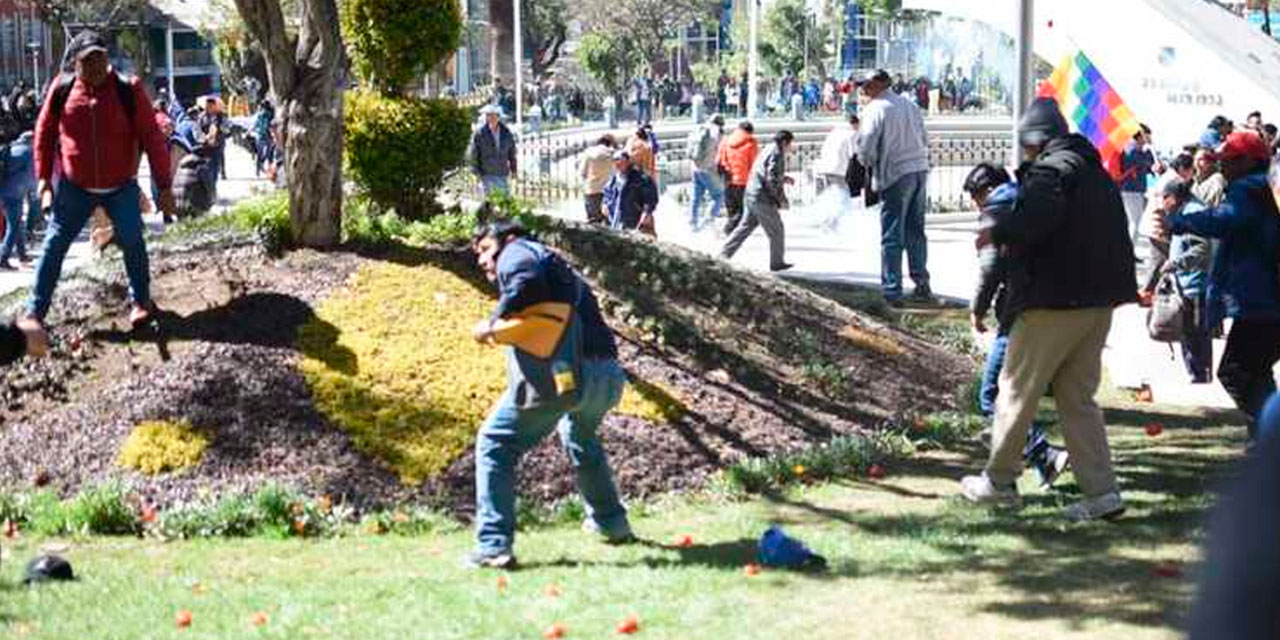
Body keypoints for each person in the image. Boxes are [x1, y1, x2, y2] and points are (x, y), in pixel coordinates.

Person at [962, 97, 1137, 521]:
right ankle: (1102, 493)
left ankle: (999, 481)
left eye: (1026, 147)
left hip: (1053, 299)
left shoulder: (1048, 173)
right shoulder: (1094, 172)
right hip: (1098, 302)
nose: (1024, 155)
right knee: (1078, 398)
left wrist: (996, 230)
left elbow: (1035, 224)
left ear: (1036, 142)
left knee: (1015, 390)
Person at [465, 220, 633, 569]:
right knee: (578, 434)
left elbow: (525, 281)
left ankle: (493, 545)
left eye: (484, 249)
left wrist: (493, 324)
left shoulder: (517, 252)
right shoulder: (554, 264)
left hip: (569, 377)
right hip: (608, 378)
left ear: (507, 238)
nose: (481, 261)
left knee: (495, 441)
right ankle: (611, 523)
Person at [28, 30, 174, 328]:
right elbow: (43, 135)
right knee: (54, 245)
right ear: (76, 64)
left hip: (121, 187)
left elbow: (152, 138)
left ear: (108, 58)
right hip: (74, 189)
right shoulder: (62, 89)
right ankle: (35, 312)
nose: (96, 65)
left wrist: (165, 187)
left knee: (133, 242)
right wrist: (43, 179)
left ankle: (140, 302)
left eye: (100, 57)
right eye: (88, 60)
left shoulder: (128, 89)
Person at [1157, 130, 1280, 439]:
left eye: (1229, 160)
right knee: (1255, 372)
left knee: (1235, 372)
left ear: (1250, 162)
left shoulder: (1247, 191)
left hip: (1263, 305)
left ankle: (1269, 440)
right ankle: (1265, 441)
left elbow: (1224, 220)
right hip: (1264, 303)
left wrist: (1181, 220)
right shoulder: (1260, 190)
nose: (1222, 167)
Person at [963, 162, 1070, 488]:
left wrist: (977, 309)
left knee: (992, 394)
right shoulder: (1030, 202)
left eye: (973, 197)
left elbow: (991, 267)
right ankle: (1025, 470)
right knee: (1018, 393)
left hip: (1020, 309)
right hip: (1055, 304)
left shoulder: (997, 210)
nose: (974, 205)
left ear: (983, 190)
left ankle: (1041, 457)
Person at [857, 69, 933, 306]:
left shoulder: (874, 109)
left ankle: (892, 290)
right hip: (919, 169)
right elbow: (923, 138)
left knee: (892, 234)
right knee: (915, 230)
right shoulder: (909, 105)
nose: (863, 89)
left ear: (879, 84)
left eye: (866, 85)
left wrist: (863, 162)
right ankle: (921, 284)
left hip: (896, 174)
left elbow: (866, 149)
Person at [1155, 177, 1214, 383]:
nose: (1163, 202)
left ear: (1175, 197)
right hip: (1185, 282)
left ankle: (1200, 374)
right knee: (1187, 329)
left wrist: (1177, 263)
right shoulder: (1183, 212)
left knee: (1195, 330)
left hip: (1196, 282)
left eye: (1165, 198)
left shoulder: (1193, 213)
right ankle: (1195, 371)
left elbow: (1202, 248)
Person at [720, 130, 794, 272]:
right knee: (777, 230)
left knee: (744, 227)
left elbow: (767, 173)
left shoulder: (768, 148)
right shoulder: (777, 153)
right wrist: (780, 199)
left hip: (751, 192)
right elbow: (771, 178)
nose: (791, 147)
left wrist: (784, 178)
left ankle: (723, 255)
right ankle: (777, 263)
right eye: (791, 143)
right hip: (761, 197)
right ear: (785, 142)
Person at [814, 113, 860, 230]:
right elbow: (853, 154)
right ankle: (831, 224)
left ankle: (825, 222)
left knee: (829, 198)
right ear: (855, 124)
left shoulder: (834, 132)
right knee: (843, 199)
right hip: (837, 170)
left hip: (823, 168)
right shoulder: (852, 134)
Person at [0, 131, 35, 269]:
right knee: (13, 226)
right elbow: (32, 175)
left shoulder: (10, 148)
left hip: (3, 191)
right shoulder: (28, 152)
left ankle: (22, 255)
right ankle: (3, 258)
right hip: (14, 194)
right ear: (32, 140)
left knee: (16, 223)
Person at [716, 120, 758, 236]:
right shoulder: (751, 142)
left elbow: (719, 160)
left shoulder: (725, 140)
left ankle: (731, 232)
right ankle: (728, 231)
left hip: (728, 179)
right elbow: (753, 163)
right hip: (743, 180)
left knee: (731, 209)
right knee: (741, 210)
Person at [601, 150, 658, 232]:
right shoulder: (613, 180)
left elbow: (650, 197)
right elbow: (607, 194)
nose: (618, 164)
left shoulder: (641, 178)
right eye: (615, 161)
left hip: (635, 219)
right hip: (616, 219)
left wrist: (647, 212)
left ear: (628, 162)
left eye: (621, 161)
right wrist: (605, 204)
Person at [469, 105, 518, 197]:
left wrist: (514, 170)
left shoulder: (506, 133)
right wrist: (475, 172)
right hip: (486, 173)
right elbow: (474, 154)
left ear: (499, 117)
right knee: (489, 203)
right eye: (488, 116)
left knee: (503, 201)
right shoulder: (480, 134)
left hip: (502, 172)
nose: (491, 118)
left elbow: (512, 154)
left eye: (494, 116)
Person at [686, 114, 725, 230]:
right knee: (718, 195)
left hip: (694, 167)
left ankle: (693, 223)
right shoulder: (716, 132)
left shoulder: (699, 129)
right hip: (707, 168)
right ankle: (708, 220)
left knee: (696, 196)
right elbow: (718, 150)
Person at [579, 134, 615, 225]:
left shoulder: (589, 153)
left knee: (593, 220)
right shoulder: (613, 154)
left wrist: (584, 184)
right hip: (609, 189)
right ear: (610, 143)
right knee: (609, 220)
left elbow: (582, 172)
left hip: (592, 189)